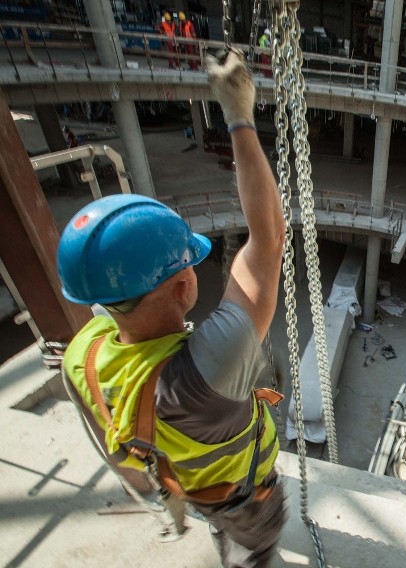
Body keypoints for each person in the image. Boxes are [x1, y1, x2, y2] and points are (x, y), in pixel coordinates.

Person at [58, 49, 287, 567]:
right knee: (255, 544)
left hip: (184, 484)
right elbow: (268, 240)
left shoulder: (83, 355)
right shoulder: (213, 364)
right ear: (184, 286)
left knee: (218, 525)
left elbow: (119, 458)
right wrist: (240, 115)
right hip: (244, 494)